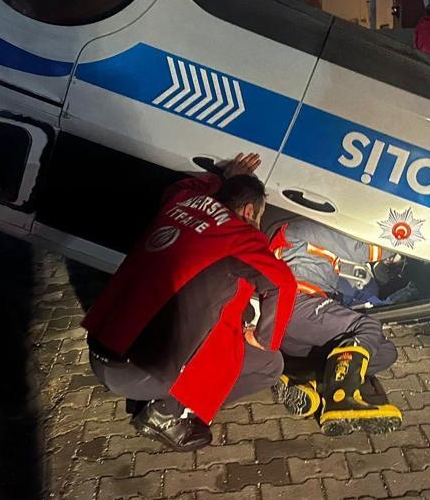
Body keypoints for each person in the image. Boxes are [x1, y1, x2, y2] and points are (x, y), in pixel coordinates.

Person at [81, 153, 298, 451]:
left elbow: (180, 187)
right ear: (249, 211)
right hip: (137, 370)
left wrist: (223, 178)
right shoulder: (240, 235)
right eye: (258, 218)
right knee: (267, 362)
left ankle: (160, 393)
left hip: (98, 350)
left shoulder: (180, 203)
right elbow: (282, 283)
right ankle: (168, 414)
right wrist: (265, 338)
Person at [267, 218, 403, 434]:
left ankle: (304, 380)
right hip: (295, 303)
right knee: (367, 327)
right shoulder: (304, 223)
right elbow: (361, 250)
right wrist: (403, 243)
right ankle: (341, 398)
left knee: (385, 352)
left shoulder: (304, 237)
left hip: (296, 330)